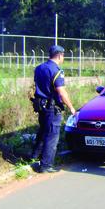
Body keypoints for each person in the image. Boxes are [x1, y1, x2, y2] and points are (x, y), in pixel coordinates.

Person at [31, 45, 76, 173]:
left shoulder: (39, 68)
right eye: (63, 56)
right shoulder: (56, 70)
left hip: (40, 105)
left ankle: (34, 157)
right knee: (52, 135)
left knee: (43, 131)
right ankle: (46, 165)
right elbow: (61, 92)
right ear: (60, 55)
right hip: (52, 106)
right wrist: (71, 108)